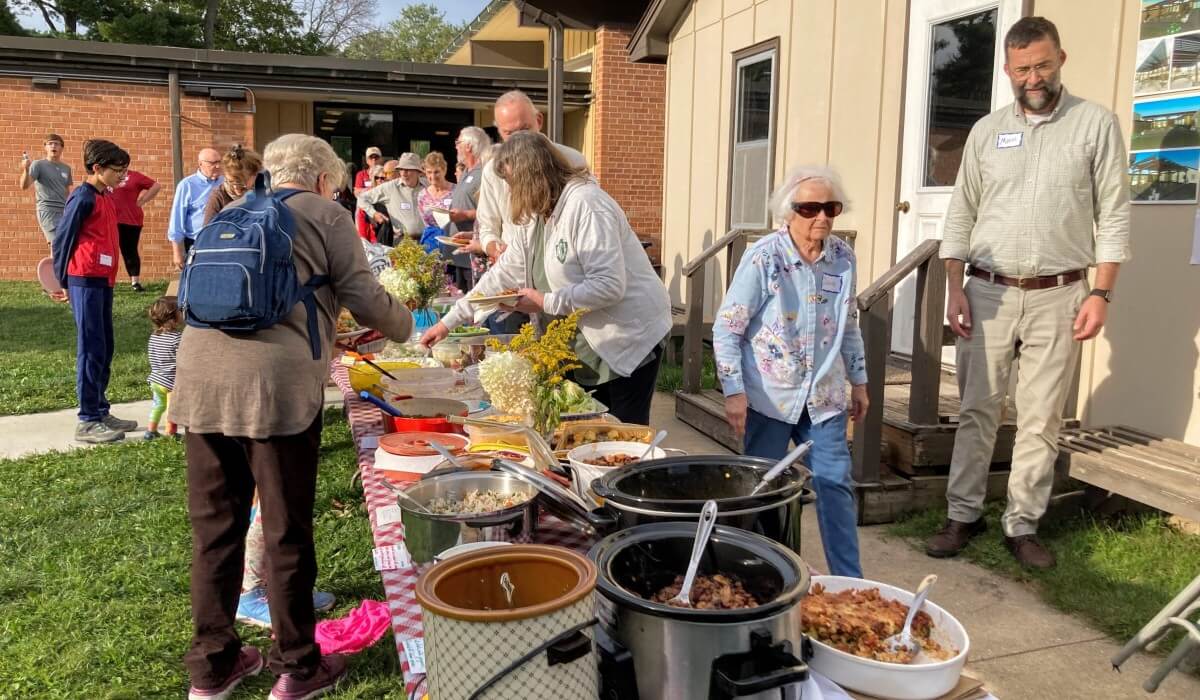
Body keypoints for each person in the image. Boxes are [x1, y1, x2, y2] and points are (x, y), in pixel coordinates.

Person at [173, 134, 413, 700]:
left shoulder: (228, 209)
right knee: (284, 531)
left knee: (215, 531)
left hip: (200, 381)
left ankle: (212, 666)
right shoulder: (326, 214)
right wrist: (408, 328)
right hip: (273, 391)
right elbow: (365, 295)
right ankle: (299, 667)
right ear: (324, 178)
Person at [927, 16, 1130, 570]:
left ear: (1060, 58)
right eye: (1023, 69)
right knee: (976, 411)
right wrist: (954, 286)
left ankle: (1022, 524)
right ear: (1007, 70)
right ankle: (962, 515)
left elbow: (1113, 214)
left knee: (1041, 418)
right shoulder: (987, 132)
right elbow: (961, 212)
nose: (1033, 77)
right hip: (987, 291)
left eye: (1042, 65)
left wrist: (1101, 294)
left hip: (1060, 293)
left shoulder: (1095, 125)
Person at [422, 132, 671, 425]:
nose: (510, 192)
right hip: (584, 340)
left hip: (628, 336)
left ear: (534, 176)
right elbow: (503, 273)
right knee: (579, 429)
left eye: (513, 183)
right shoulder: (536, 216)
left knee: (620, 433)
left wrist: (544, 301)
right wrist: (447, 322)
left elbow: (609, 285)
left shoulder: (587, 205)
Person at [713, 167, 868, 579]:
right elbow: (727, 327)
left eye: (830, 208)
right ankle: (770, 573)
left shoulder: (843, 258)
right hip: (769, 395)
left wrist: (860, 380)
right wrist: (733, 391)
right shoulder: (765, 257)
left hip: (824, 396)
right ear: (788, 211)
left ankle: (848, 582)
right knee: (764, 490)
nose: (822, 217)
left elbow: (849, 324)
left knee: (835, 483)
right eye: (810, 208)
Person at [461, 90, 587, 333]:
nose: (520, 139)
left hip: (561, 287)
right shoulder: (493, 171)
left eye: (525, 128)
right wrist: (493, 247)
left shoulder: (572, 160)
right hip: (513, 285)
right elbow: (487, 227)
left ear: (539, 121)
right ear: (499, 132)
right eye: (510, 133)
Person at [50, 139, 138, 444]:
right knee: (90, 348)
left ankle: (100, 409)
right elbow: (63, 239)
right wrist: (61, 282)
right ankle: (87, 420)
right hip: (83, 281)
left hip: (103, 282)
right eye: (117, 171)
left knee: (105, 346)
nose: (121, 176)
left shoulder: (105, 197)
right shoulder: (82, 197)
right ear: (97, 168)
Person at [443, 127, 490, 290]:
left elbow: (493, 210)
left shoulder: (485, 172)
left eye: (458, 142)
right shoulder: (466, 172)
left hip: (475, 257)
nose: (456, 146)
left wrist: (465, 214)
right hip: (459, 253)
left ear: (469, 146)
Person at [168, 148, 223, 270]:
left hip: (222, 242)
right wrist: (177, 252)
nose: (218, 166)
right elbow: (177, 218)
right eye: (213, 163)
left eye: (219, 162)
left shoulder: (225, 183)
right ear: (200, 164)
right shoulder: (187, 185)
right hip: (197, 243)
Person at [109, 166, 161, 292]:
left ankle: (135, 282)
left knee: (130, 251)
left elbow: (156, 186)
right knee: (109, 250)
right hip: (111, 219)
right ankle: (108, 280)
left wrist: (142, 200)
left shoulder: (135, 176)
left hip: (131, 220)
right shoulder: (109, 175)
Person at [19, 133, 72, 245]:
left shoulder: (66, 168)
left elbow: (67, 191)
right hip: (47, 210)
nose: (53, 146)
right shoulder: (38, 165)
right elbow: (24, 186)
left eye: (56, 144)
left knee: (65, 245)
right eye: (50, 144)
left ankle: (58, 263)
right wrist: (25, 169)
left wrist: (70, 209)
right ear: (45, 147)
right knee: (56, 244)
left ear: (62, 148)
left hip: (63, 211)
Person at [357, 152, 424, 240]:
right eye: (401, 169)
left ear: (418, 172)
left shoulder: (428, 186)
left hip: (427, 240)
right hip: (402, 242)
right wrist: (374, 214)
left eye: (408, 170)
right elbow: (362, 198)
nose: (403, 173)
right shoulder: (391, 187)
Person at [145, 296, 181, 440]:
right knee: (173, 409)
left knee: (158, 406)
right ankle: (171, 432)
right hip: (171, 382)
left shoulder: (154, 336)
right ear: (172, 317)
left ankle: (150, 431)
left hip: (156, 380)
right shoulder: (177, 337)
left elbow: (152, 356)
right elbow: (182, 359)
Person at [203, 145, 263, 226]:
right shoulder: (219, 196)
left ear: (255, 175)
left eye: (241, 182)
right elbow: (207, 231)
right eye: (230, 181)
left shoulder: (265, 192)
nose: (236, 188)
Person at [417, 151, 455, 229]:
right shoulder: (422, 195)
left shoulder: (456, 191)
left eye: (436, 172)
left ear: (444, 170)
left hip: (451, 238)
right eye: (429, 172)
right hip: (429, 238)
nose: (433, 176)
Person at [353, 146, 382, 240]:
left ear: (380, 159)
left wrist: (364, 190)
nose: (374, 160)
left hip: (381, 209)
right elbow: (357, 193)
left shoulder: (384, 173)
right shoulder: (361, 174)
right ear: (367, 160)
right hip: (365, 210)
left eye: (376, 157)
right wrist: (373, 188)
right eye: (371, 157)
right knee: (364, 240)